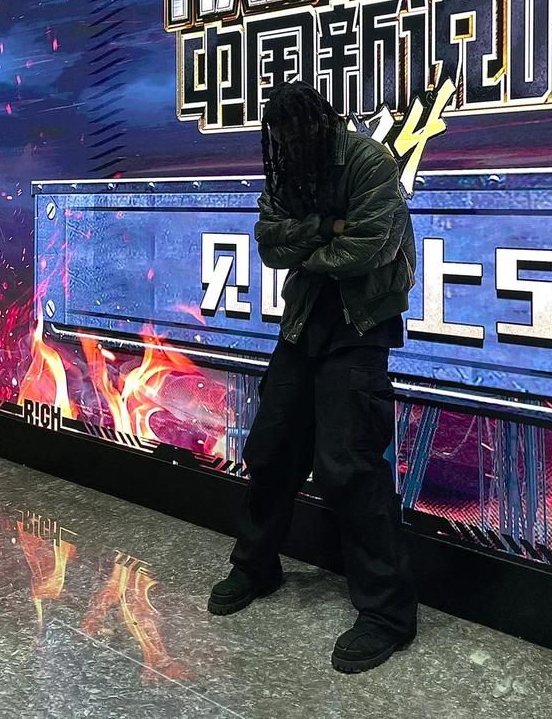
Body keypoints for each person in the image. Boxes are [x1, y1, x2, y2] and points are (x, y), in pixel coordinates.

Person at [208, 80, 418, 674]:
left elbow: (368, 250)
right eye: (279, 140)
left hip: (360, 325)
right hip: (303, 324)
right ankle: (256, 567)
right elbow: (270, 246)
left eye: (296, 135)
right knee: (271, 449)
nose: (287, 147)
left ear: (323, 125)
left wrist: (309, 245)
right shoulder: (287, 171)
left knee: (349, 466)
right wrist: (327, 228)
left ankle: (387, 615)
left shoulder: (369, 161)